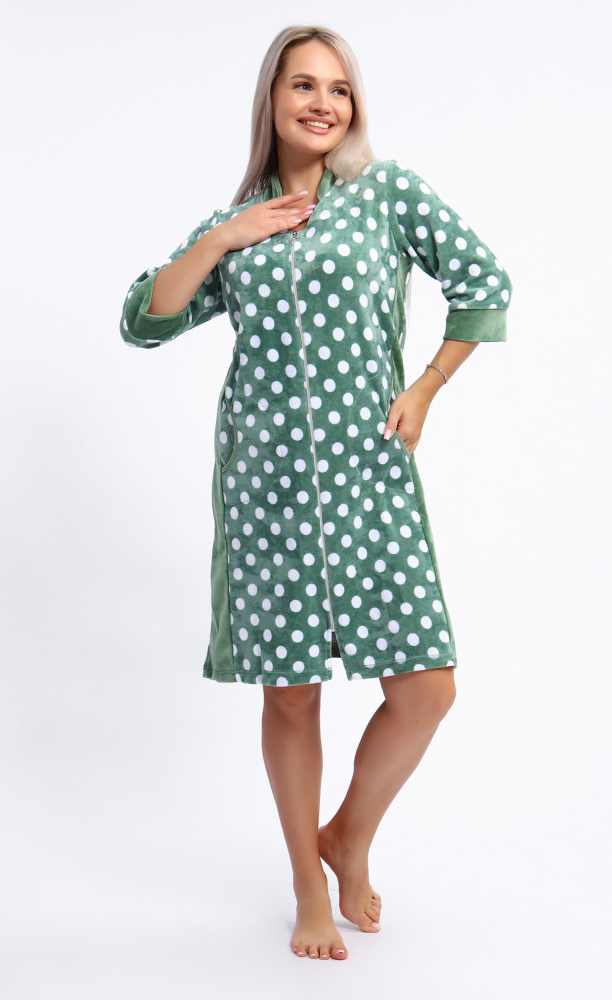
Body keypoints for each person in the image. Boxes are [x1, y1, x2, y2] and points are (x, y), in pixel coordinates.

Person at [119, 24, 512, 962]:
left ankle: (347, 836)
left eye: (338, 88)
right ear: (272, 99)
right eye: (303, 85)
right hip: (269, 488)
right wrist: (226, 236)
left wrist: (425, 388)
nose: (322, 103)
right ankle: (307, 883)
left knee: (425, 689)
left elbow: (484, 285)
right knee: (291, 696)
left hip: (369, 476)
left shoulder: (387, 195)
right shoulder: (237, 222)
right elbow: (144, 320)